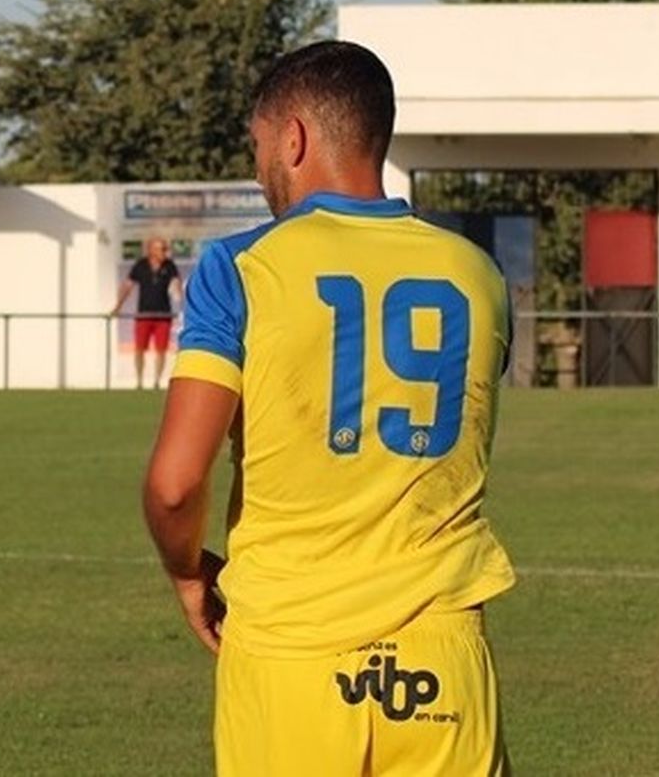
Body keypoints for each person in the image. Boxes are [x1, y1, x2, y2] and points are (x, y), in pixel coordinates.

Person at [142, 40, 516, 775]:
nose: (258, 168)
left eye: (257, 145)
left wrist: (188, 573)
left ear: (295, 137)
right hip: (443, 654)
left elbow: (175, 484)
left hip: (291, 649)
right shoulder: (478, 273)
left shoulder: (241, 268)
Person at [111, 237, 183, 389]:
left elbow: (177, 284)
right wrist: (118, 306)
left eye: (165, 249)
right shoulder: (141, 265)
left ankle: (157, 381)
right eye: (161, 249)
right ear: (151, 250)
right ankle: (139, 381)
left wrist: (178, 291)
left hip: (163, 315)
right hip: (143, 315)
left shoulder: (169, 266)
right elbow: (127, 287)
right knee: (139, 349)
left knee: (161, 350)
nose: (165, 252)